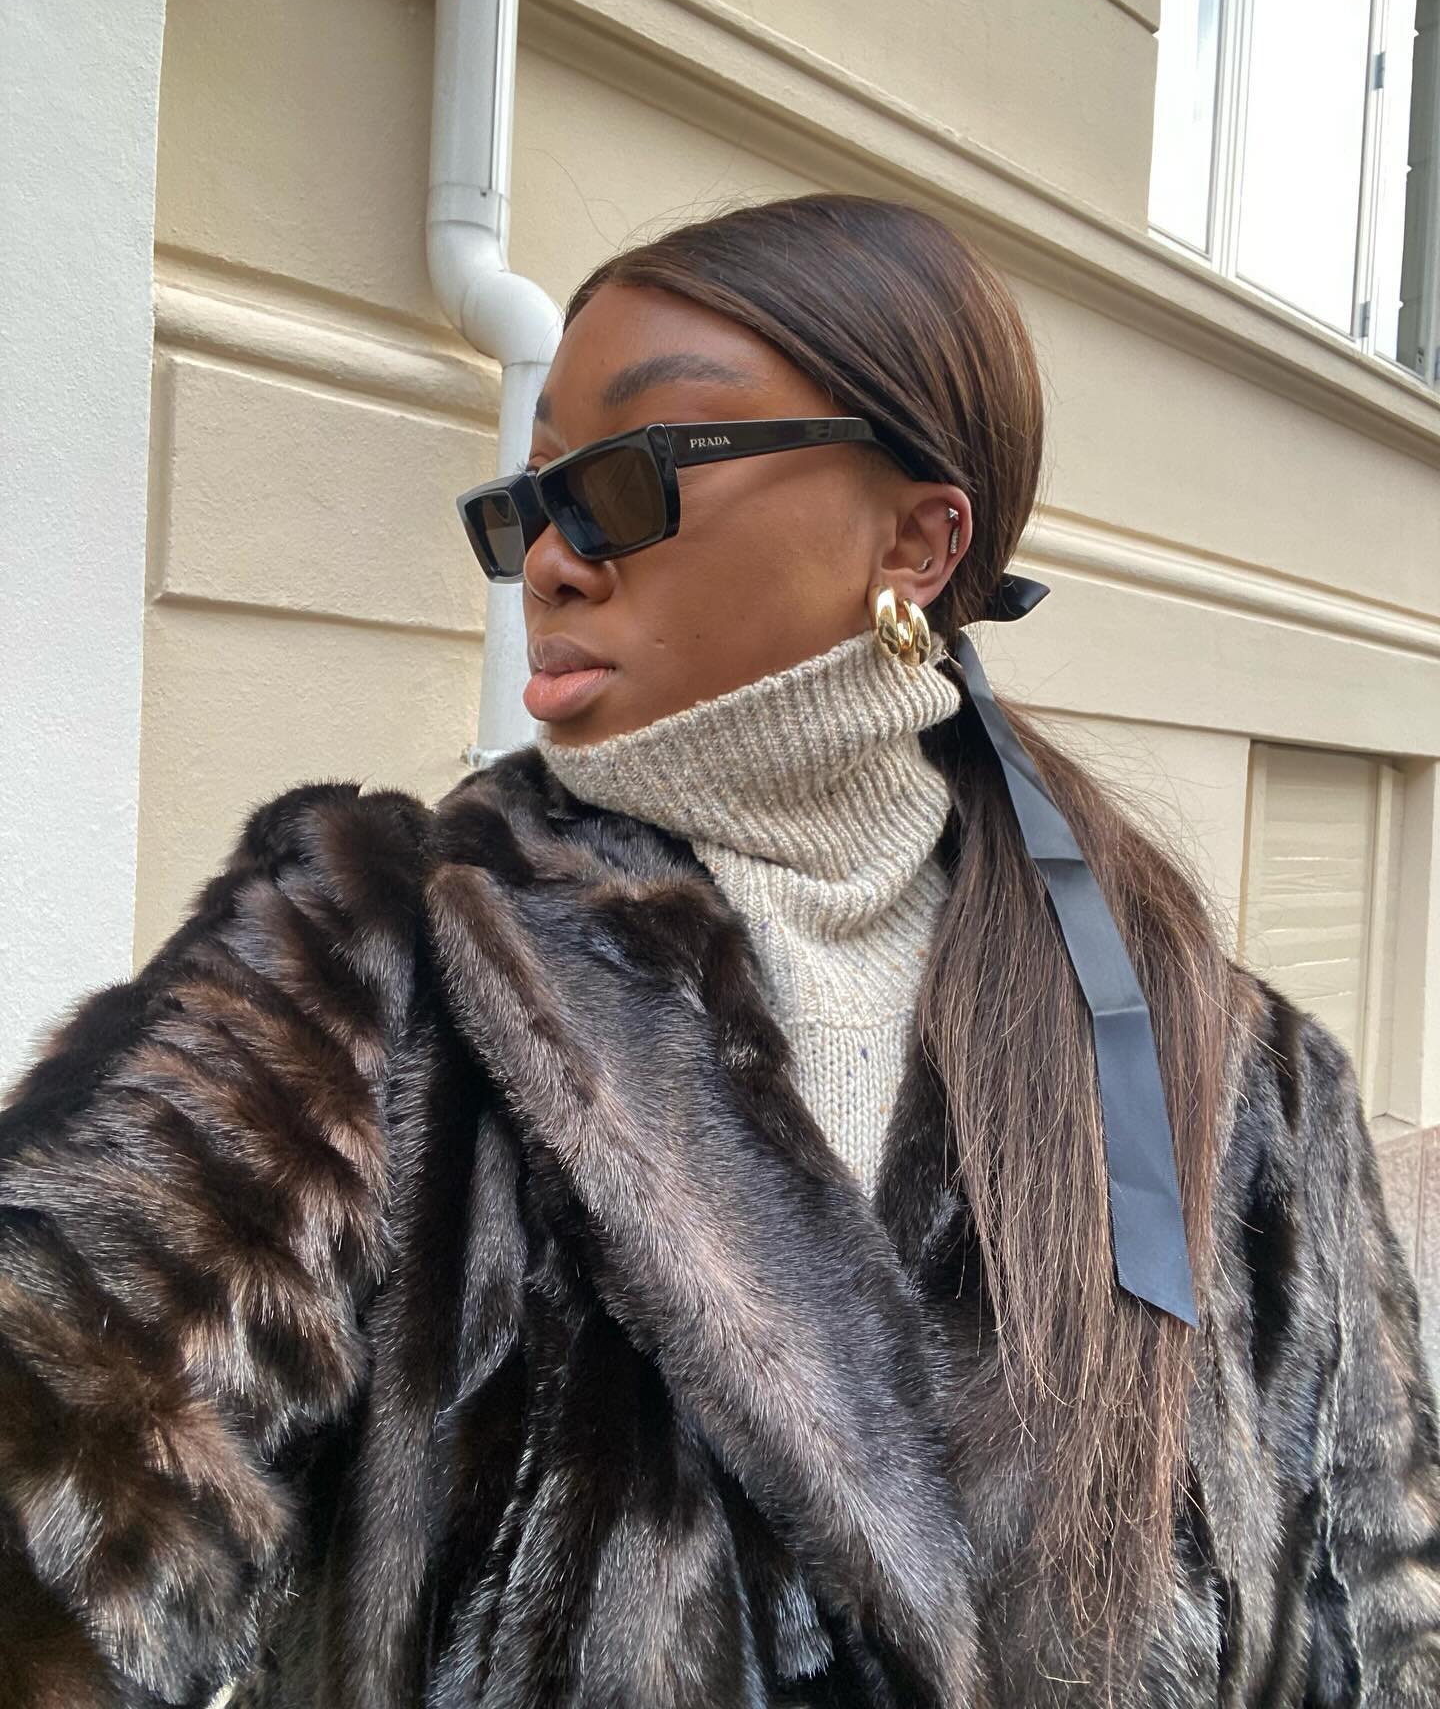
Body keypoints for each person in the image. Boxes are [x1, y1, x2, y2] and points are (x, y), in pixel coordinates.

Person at [1, 192, 1436, 1709]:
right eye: (529, 501)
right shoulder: (361, 956)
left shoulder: (1235, 1073)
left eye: (626, 478)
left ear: (917, 540)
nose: (547, 563)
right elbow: (61, 1456)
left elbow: (1388, 1616)